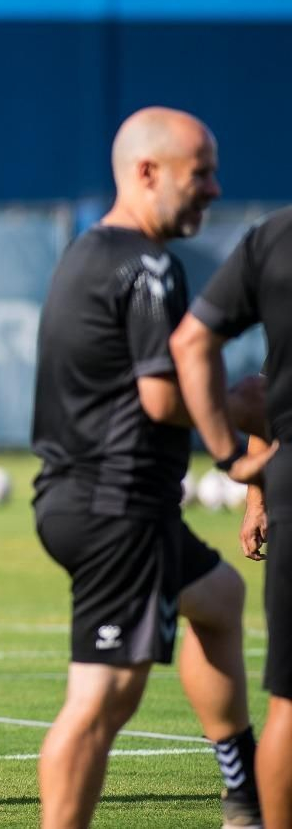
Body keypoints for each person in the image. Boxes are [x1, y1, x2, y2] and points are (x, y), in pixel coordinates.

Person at [31, 107, 266, 829]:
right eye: (201, 175)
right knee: (101, 701)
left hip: (102, 501)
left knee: (219, 600)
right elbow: (163, 398)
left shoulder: (86, 250)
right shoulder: (149, 265)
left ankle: (242, 795)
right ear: (147, 173)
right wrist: (241, 438)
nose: (215, 189)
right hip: (116, 509)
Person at [172, 207, 291, 827]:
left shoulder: (271, 237)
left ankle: (246, 802)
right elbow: (262, 388)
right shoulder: (276, 241)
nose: (212, 188)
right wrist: (252, 490)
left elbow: (240, 380)